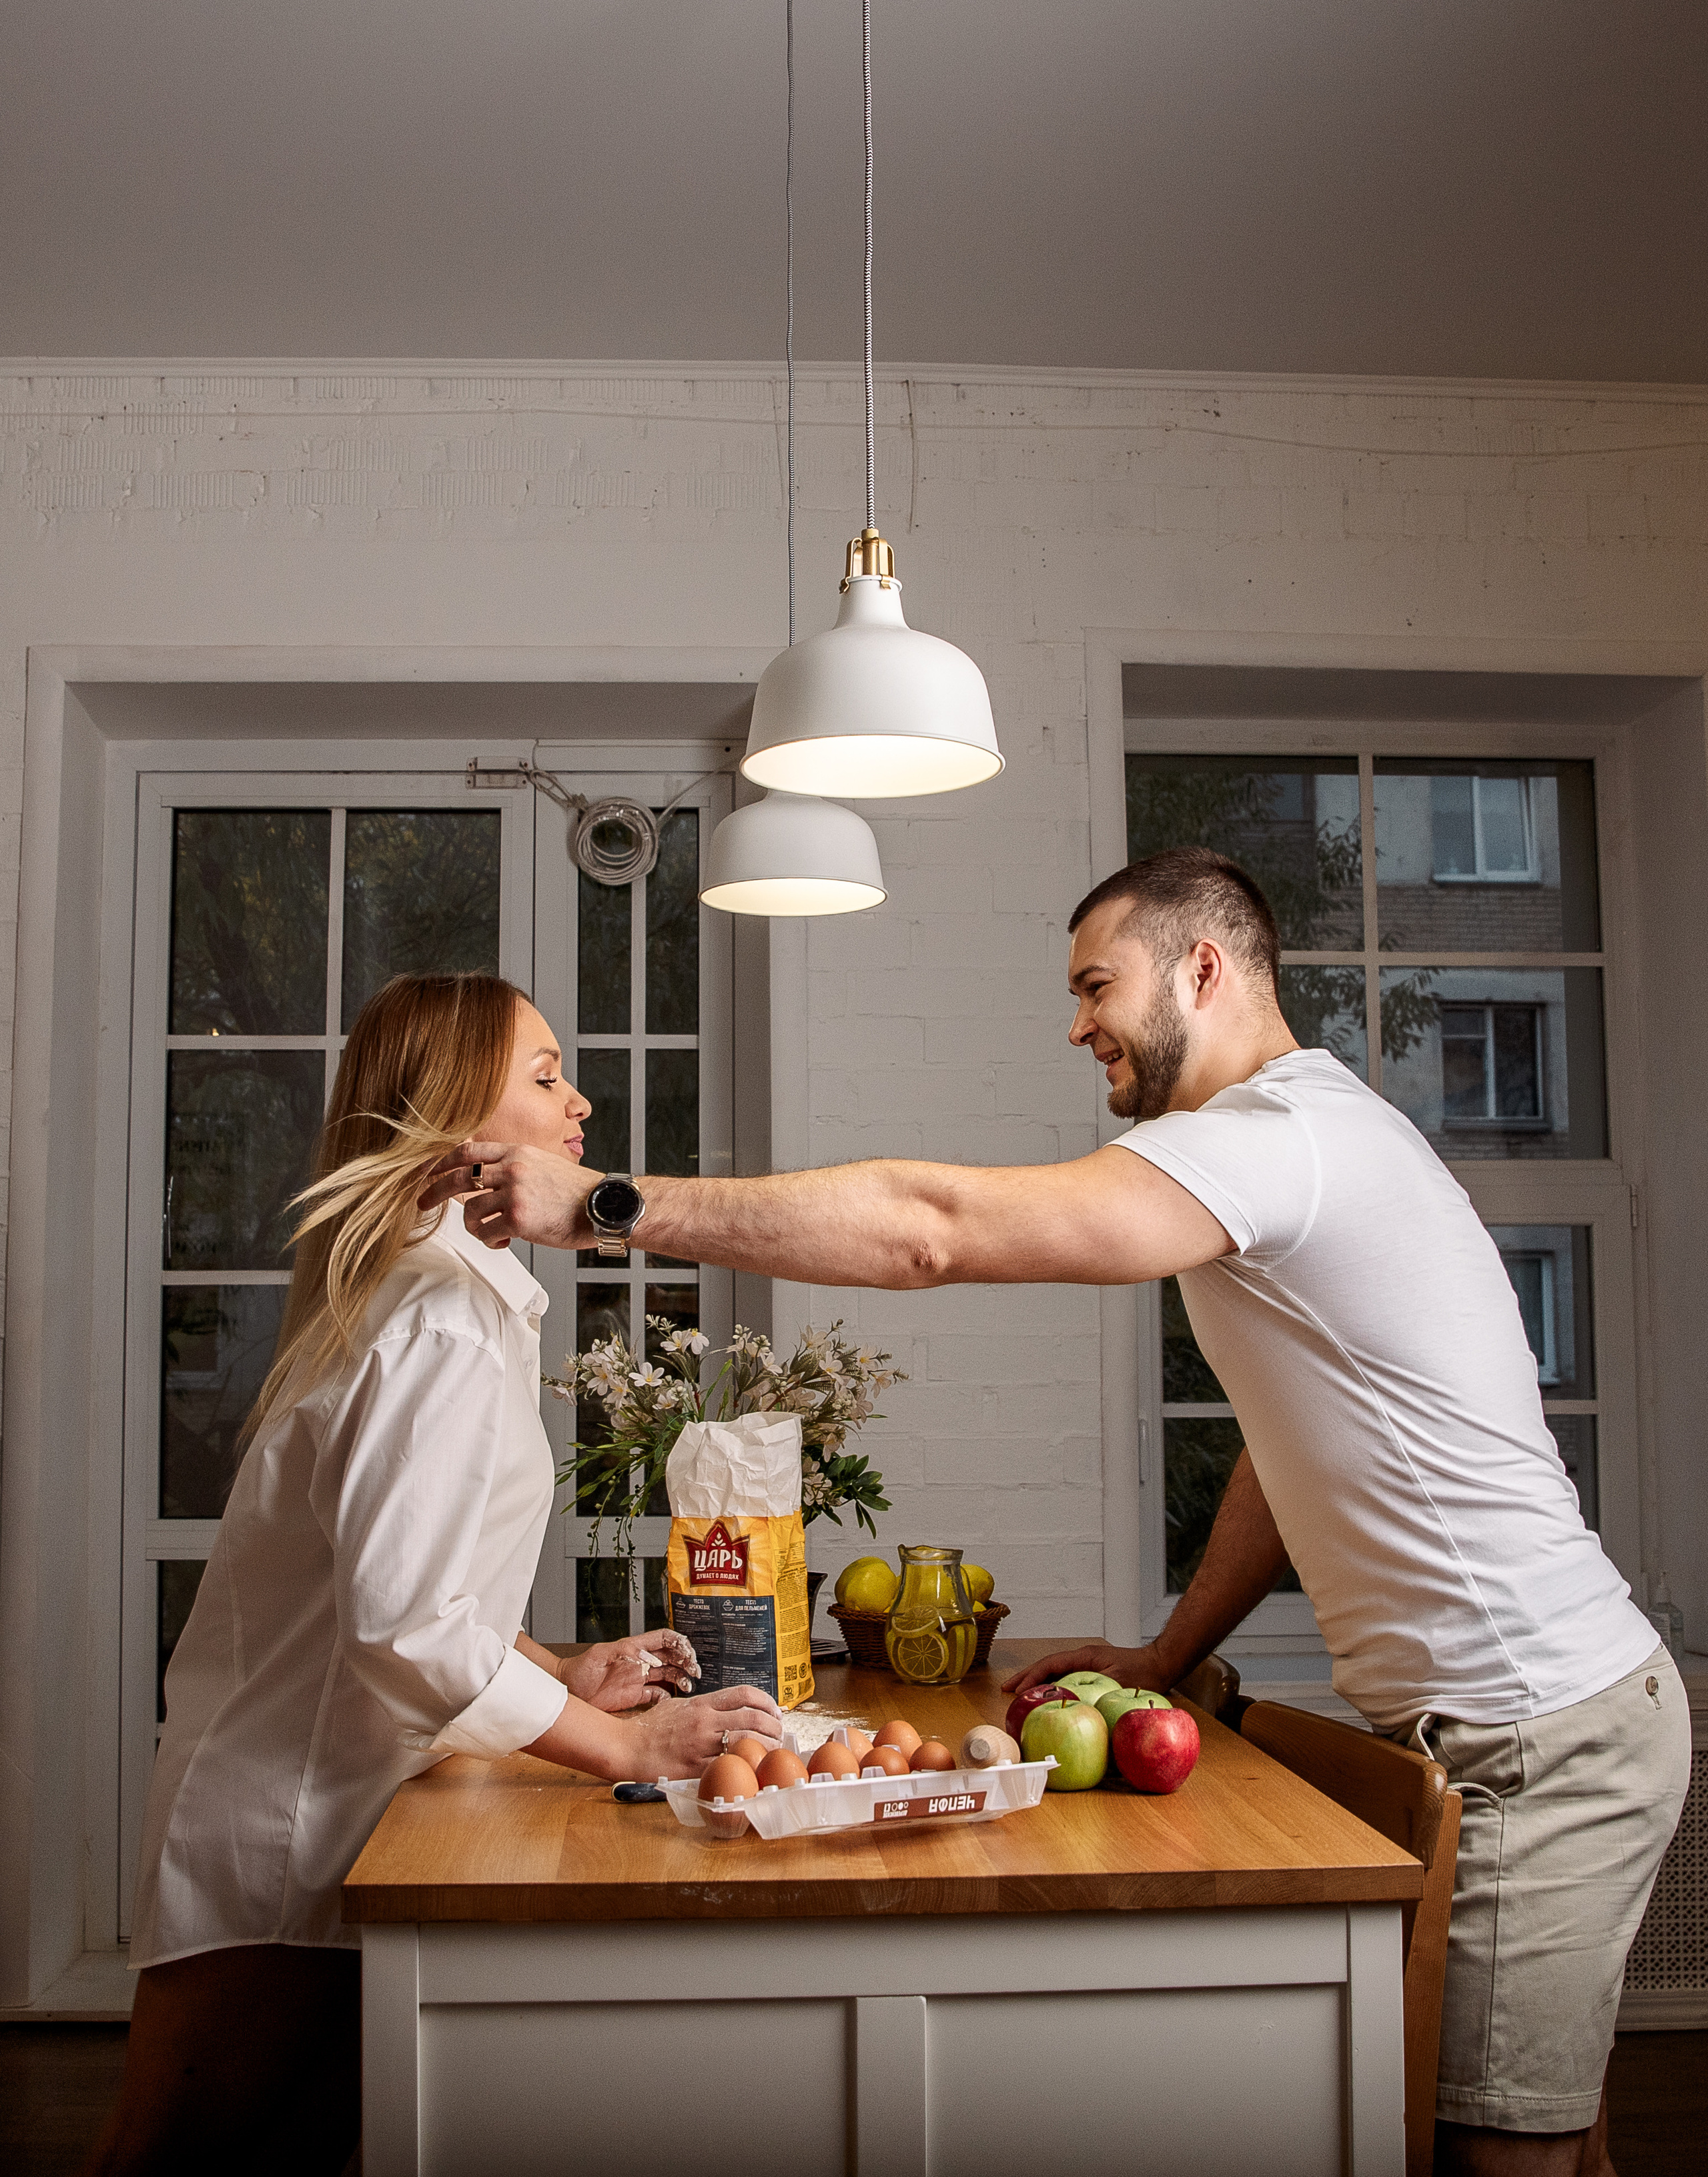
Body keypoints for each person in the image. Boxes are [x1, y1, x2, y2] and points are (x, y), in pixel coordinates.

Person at [423, 850, 1690, 2177]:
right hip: (1521, 1722)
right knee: (1552, 2143)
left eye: (1096, 983)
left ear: (1202, 969)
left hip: (1537, 1732)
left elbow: (929, 1231)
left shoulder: (1283, 1141)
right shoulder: (1272, 1167)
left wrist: (611, 1205)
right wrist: (1162, 1653)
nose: (1075, 1022)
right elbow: (1279, 1458)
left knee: (1500, 2155)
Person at [93, 973, 781, 2176]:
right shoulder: (440, 1327)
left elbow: (414, 1595)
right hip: (285, 1834)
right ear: (456, 1116)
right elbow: (404, 1625)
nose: (580, 1101)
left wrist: (554, 1669)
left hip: (331, 1821)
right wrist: (620, 1744)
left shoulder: (444, 1304)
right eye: (545, 1073)